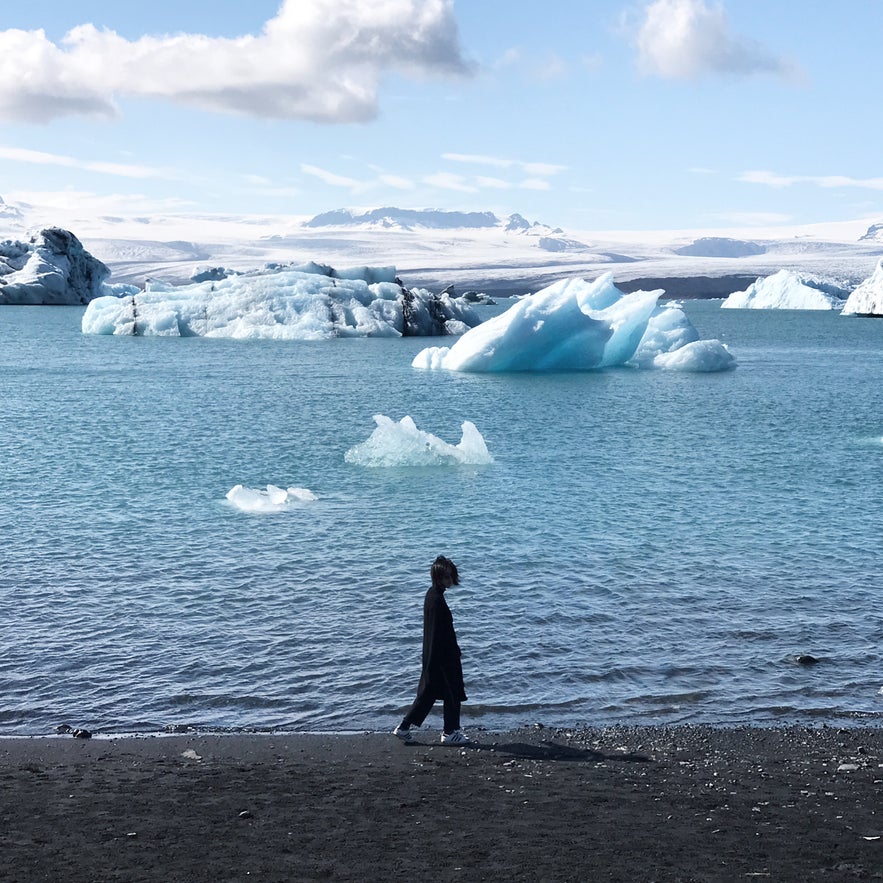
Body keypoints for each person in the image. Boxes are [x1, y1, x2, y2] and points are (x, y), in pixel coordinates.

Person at [393, 555, 470, 745]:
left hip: (433, 655)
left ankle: (404, 727)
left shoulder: (432, 595)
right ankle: (449, 732)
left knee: (428, 694)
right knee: (452, 692)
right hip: (442, 656)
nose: (450, 581)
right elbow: (439, 633)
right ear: (438, 578)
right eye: (447, 577)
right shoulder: (436, 601)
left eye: (451, 576)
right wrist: (449, 655)